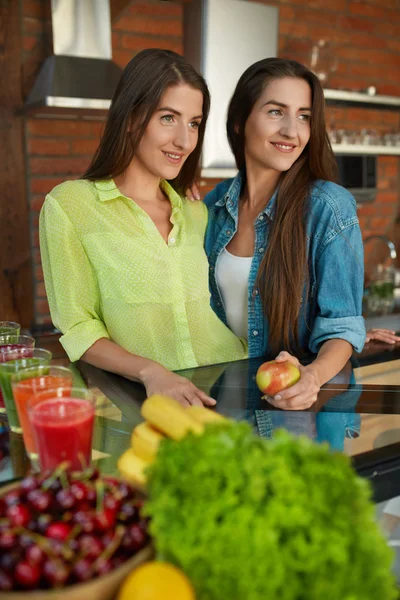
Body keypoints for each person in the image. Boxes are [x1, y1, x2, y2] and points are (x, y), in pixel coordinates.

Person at [39, 49, 247, 408]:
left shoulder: (197, 212)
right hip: (142, 405)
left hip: (231, 390)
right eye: (169, 118)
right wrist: (150, 371)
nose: (184, 140)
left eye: (194, 123)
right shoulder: (70, 206)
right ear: (132, 117)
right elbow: (78, 328)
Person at [197, 57, 367, 411]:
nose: (293, 131)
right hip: (221, 404)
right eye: (276, 112)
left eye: (304, 116)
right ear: (240, 122)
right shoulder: (213, 205)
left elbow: (341, 327)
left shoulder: (329, 209)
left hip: (294, 411)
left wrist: (313, 376)